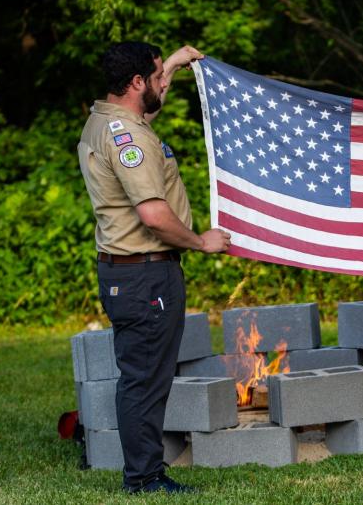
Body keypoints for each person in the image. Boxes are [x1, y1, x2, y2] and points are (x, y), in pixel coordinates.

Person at [78, 41, 231, 493]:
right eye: (159, 74)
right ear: (137, 82)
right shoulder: (129, 139)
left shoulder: (107, 119)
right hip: (145, 274)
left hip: (129, 273)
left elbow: (146, 115)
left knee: (143, 376)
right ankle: (144, 478)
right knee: (145, 381)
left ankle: (144, 473)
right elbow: (154, 214)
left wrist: (178, 66)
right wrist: (201, 242)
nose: (164, 81)